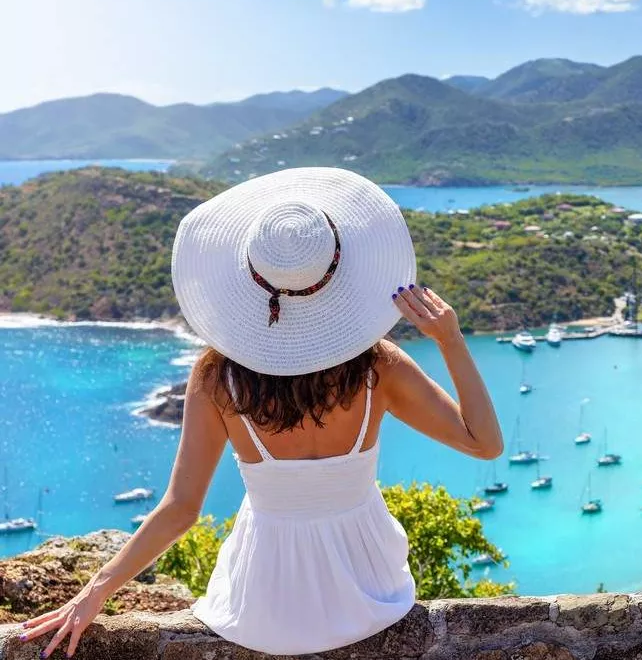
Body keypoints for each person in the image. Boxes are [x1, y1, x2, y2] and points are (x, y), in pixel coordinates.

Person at [20, 167, 503, 657]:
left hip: (263, 606)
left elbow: (181, 509)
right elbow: (485, 443)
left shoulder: (217, 379)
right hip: (370, 592)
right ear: (339, 277)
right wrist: (450, 340)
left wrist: (95, 590)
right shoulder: (379, 368)